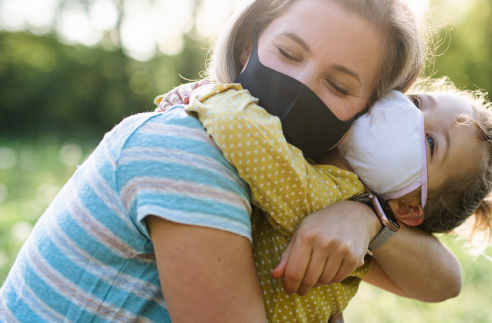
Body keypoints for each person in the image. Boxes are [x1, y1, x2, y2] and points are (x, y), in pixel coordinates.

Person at [0, 1, 463, 322]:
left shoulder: (294, 183)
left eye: (339, 87)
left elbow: (443, 281)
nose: (299, 83)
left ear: (365, 116)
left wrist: (366, 219)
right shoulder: (188, 149)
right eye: (287, 53)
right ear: (247, 46)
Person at [155, 74, 492, 322]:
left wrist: (213, 94)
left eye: (430, 142)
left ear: (408, 207)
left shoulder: (333, 193)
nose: (407, 117)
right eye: (417, 103)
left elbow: (448, 282)